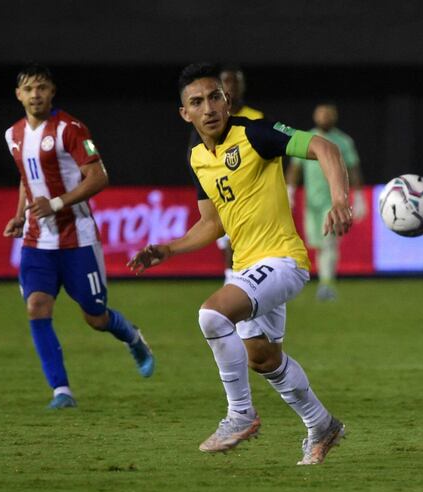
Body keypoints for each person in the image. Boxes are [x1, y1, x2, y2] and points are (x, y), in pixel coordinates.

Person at [128, 63, 352, 465]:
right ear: (185, 113)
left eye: (215, 97)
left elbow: (324, 148)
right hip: (247, 268)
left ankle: (240, 414)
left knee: (211, 316)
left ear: (227, 101)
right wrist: (170, 248)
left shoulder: (254, 133)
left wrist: (340, 201)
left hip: (282, 260)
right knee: (263, 358)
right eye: (197, 102)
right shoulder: (198, 157)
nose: (209, 107)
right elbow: (212, 222)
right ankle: (322, 425)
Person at [3, 64, 154, 409]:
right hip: (36, 240)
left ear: (52, 91)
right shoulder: (12, 135)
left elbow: (98, 177)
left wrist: (56, 203)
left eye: (42, 87)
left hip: (78, 238)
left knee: (94, 316)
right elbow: (27, 179)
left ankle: (132, 336)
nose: (36, 94)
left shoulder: (70, 128)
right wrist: (18, 215)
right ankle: (61, 391)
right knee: (36, 307)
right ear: (19, 95)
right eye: (29, 88)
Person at [187, 67, 263, 283]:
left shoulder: (255, 118)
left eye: (236, 82)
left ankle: (242, 286)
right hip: (223, 194)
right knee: (229, 245)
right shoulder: (210, 121)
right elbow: (197, 159)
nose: (232, 86)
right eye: (227, 82)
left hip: (252, 195)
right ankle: (233, 282)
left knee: (248, 248)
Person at [286, 102, 365, 300]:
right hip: (312, 202)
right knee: (319, 245)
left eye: (329, 114)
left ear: (335, 117)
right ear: (315, 116)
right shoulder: (306, 139)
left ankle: (327, 285)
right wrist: (290, 190)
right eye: (321, 114)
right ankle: (325, 281)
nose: (325, 117)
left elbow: (353, 168)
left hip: (334, 200)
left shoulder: (343, 141)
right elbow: (295, 167)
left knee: (329, 241)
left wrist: (359, 195)